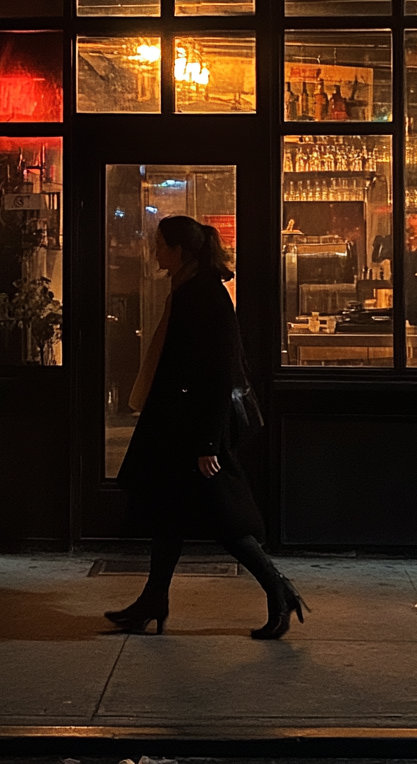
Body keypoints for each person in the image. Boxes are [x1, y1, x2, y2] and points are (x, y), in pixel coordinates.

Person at [105, 215, 308, 639]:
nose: (155, 252)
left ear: (180, 251)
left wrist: (208, 442)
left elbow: (219, 375)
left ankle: (278, 589)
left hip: (193, 430)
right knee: (169, 515)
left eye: (160, 245)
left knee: (223, 520)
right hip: (179, 426)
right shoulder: (187, 290)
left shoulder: (204, 296)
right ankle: (153, 599)